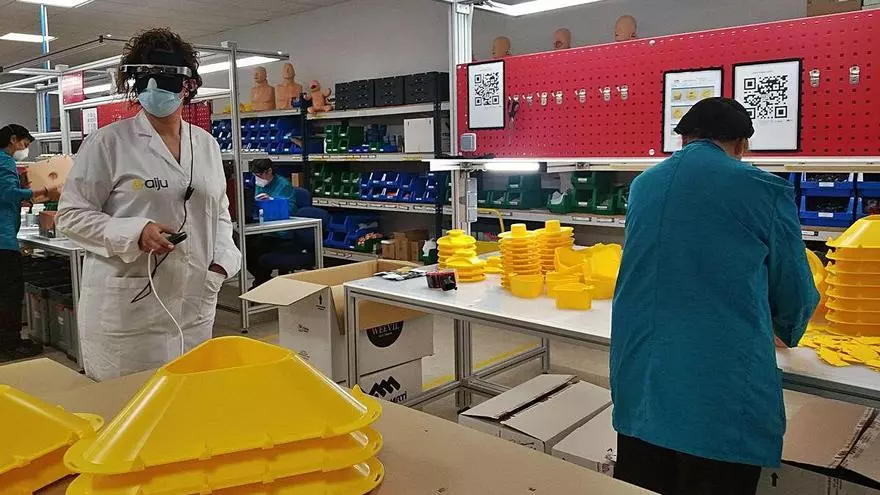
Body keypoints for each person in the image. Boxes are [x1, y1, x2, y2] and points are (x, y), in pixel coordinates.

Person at [610, 97, 818, 495]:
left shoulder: (643, 185)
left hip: (641, 378)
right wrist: (786, 329)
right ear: (740, 145)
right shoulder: (761, 189)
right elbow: (794, 289)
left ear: (683, 139)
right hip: (717, 390)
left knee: (644, 481)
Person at [56, 28, 240, 381]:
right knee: (127, 402)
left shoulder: (206, 145)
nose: (153, 88)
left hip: (194, 303)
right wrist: (134, 232)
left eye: (165, 78)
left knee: (186, 397)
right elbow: (71, 216)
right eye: (143, 78)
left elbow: (218, 212)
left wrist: (221, 264)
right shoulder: (108, 143)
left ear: (188, 84)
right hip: (129, 308)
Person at [0, 124, 60, 360]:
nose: (24, 149)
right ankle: (10, 344)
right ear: (13, 140)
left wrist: (23, 188)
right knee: (10, 294)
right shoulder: (5, 161)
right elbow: (6, 194)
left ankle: (6, 341)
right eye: (24, 145)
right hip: (3, 242)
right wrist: (41, 191)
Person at [246, 158, 297, 287]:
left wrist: (272, 200)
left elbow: (291, 208)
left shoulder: (283, 184)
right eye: (255, 175)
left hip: (280, 233)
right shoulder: (258, 184)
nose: (258, 179)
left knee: (255, 251)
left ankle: (263, 282)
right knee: (245, 250)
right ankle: (263, 280)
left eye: (260, 175)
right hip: (263, 229)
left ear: (269, 171)